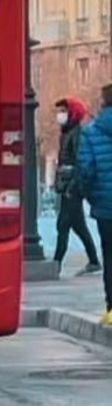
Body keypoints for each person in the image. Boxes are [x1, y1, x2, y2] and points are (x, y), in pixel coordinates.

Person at [76, 84, 112, 326]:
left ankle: (111, 309)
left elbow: (86, 171)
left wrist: (89, 195)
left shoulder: (91, 132)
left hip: (105, 205)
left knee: (109, 255)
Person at [53, 97, 100, 275]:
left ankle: (56, 263)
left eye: (64, 111)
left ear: (72, 113)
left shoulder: (76, 133)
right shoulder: (67, 132)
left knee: (63, 223)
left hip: (72, 187)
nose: (60, 115)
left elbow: (80, 161)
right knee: (78, 225)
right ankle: (94, 260)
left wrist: (73, 185)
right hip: (68, 185)